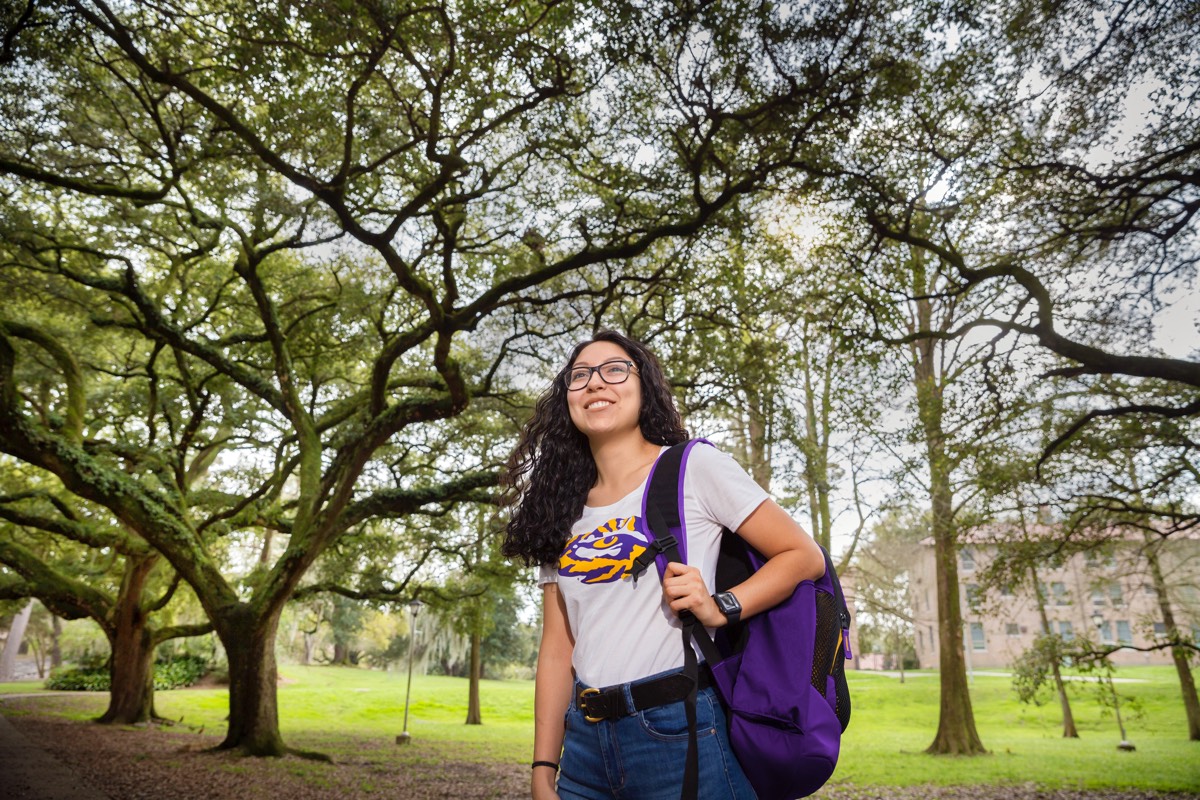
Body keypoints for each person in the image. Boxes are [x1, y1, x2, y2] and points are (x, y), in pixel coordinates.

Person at [501, 331, 825, 800]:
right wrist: (542, 767)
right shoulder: (559, 510)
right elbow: (557, 646)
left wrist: (721, 607)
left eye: (614, 370)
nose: (596, 383)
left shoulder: (693, 468)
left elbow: (803, 555)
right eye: (580, 375)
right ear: (566, 398)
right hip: (584, 748)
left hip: (679, 730)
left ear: (643, 386)